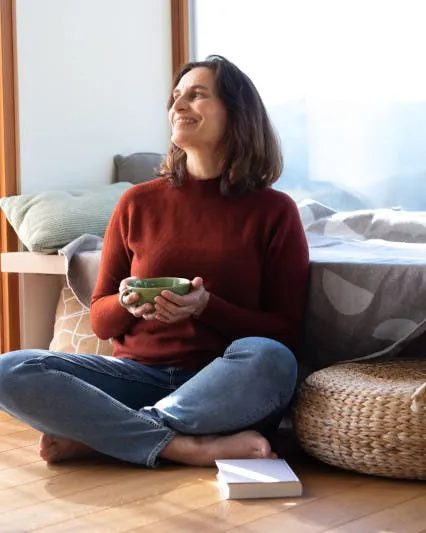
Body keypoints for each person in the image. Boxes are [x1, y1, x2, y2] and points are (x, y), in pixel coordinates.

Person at [0, 55, 309, 468]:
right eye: (176, 97)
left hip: (220, 386)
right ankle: (180, 445)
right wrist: (126, 304)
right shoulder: (137, 202)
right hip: (135, 378)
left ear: (237, 114)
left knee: (272, 359)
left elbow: (285, 331)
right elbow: (101, 319)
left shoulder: (275, 211)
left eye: (197, 95)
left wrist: (207, 307)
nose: (178, 106)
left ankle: (106, 437)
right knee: (11, 368)